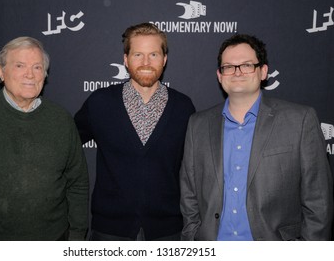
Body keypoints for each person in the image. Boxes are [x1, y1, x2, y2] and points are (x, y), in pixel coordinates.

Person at [180, 33, 333, 241]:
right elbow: (189, 193)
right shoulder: (198, 124)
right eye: (228, 67)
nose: (237, 72)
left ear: (263, 71)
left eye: (246, 65)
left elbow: (319, 201)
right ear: (219, 75)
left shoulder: (300, 120)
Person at [0, 36, 89, 240]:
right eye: (20, 65)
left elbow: (78, 182)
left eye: (37, 67)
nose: (30, 74)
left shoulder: (61, 119)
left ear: (44, 75)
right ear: (1, 72)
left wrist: (76, 236)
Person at [74, 22, 195, 240]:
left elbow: (195, 170)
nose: (146, 62)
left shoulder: (183, 108)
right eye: (138, 54)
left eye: (154, 55)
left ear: (164, 59)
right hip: (109, 232)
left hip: (167, 232)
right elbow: (65, 145)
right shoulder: (100, 103)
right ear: (125, 59)